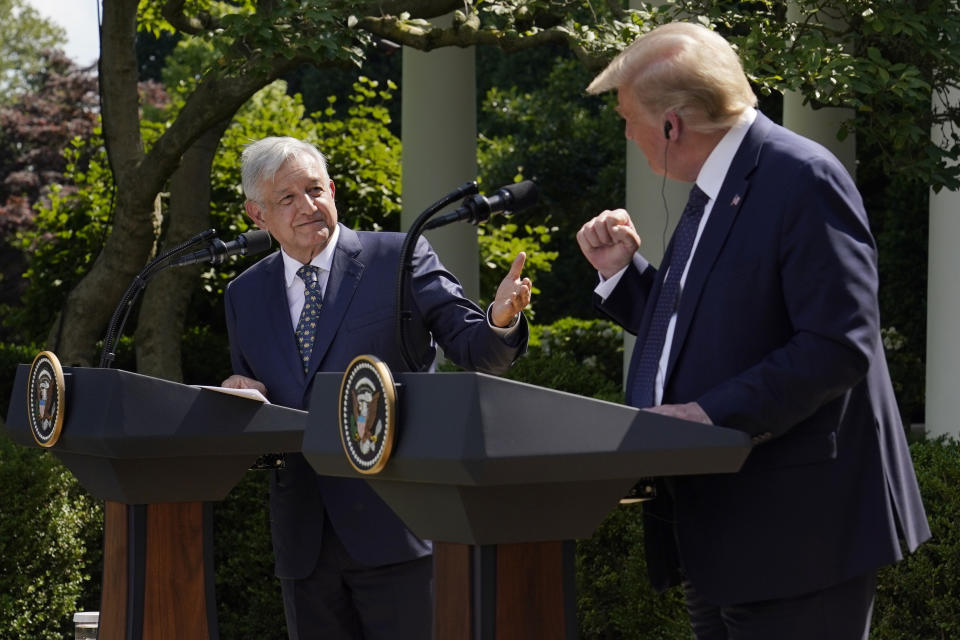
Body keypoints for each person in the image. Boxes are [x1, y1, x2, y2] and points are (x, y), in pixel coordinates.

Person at [576, 22, 930, 640]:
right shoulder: (720, 183)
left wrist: (709, 415)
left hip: (798, 538)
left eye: (628, 117)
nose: (626, 132)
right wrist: (624, 277)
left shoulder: (801, 178)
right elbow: (718, 324)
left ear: (672, 125)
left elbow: (838, 343)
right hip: (725, 533)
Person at [222, 136, 531, 639]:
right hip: (304, 539)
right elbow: (260, 401)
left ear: (334, 190)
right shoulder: (244, 295)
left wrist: (499, 318)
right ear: (257, 215)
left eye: (315, 189)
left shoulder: (396, 258)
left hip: (399, 526)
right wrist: (236, 397)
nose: (308, 206)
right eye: (287, 198)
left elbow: (476, 348)